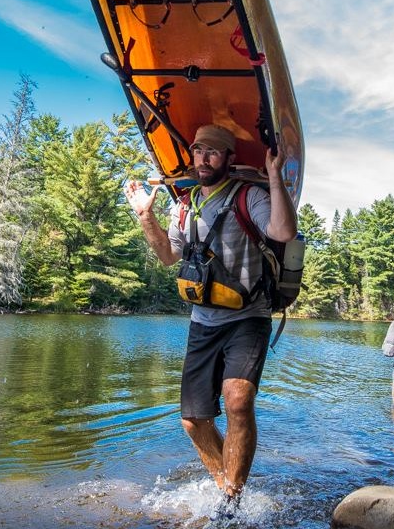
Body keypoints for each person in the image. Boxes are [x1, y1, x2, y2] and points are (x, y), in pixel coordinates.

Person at [124, 124, 297, 514]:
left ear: (229, 159)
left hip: (248, 317)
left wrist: (273, 175)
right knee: (193, 420)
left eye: (213, 152)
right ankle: (227, 488)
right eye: (199, 150)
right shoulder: (183, 204)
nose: (203, 158)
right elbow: (169, 257)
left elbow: (284, 231)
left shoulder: (249, 196)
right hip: (203, 322)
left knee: (238, 400)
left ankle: (230, 504)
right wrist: (145, 216)